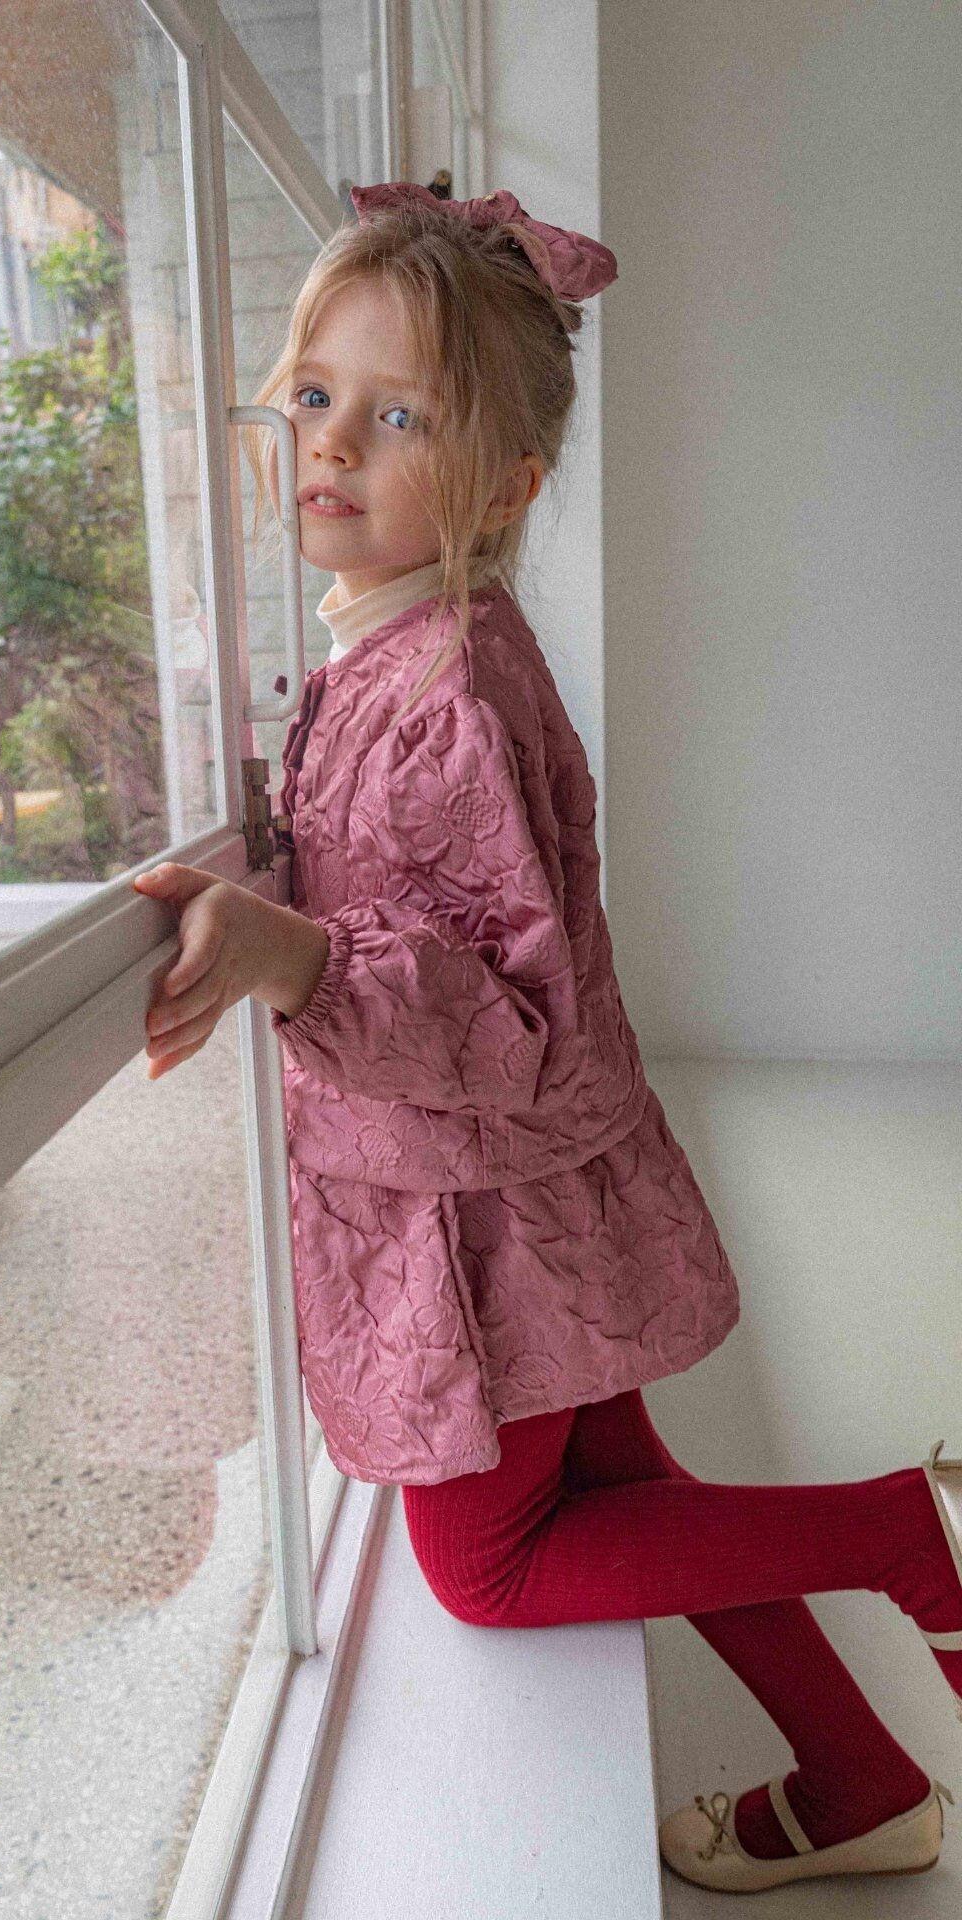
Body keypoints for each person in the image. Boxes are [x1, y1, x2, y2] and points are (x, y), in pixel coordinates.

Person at [132, 180, 962, 1894]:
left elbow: (505, 1011)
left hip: (483, 1226)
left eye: (399, 416)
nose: (332, 441)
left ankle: (914, 1528)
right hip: (522, 1196)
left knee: (491, 1571)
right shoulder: (405, 651)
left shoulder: (442, 691)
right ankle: (864, 1783)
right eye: (315, 394)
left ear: (507, 486)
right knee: (627, 1478)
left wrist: (292, 957)